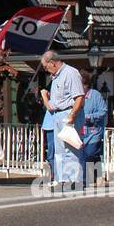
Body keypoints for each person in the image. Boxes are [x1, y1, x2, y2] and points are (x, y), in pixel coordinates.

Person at [41, 50, 85, 188]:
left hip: (69, 113)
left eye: (46, 66)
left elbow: (79, 97)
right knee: (59, 150)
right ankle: (62, 179)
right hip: (58, 114)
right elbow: (53, 105)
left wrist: (72, 115)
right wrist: (46, 98)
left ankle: (74, 180)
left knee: (71, 148)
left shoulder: (70, 73)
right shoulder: (55, 77)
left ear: (52, 63)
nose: (46, 70)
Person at [80, 70, 108, 187]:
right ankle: (99, 176)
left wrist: (89, 117)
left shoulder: (95, 95)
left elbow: (103, 111)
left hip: (93, 132)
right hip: (80, 132)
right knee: (90, 155)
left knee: (89, 154)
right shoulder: (76, 96)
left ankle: (86, 180)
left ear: (86, 85)